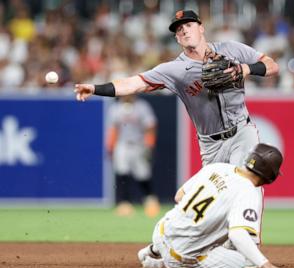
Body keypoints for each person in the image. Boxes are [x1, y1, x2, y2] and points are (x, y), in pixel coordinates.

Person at [74, 10, 279, 168]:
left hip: (242, 131)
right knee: (214, 206)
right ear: (177, 39)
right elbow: (133, 83)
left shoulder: (231, 49)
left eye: (188, 25)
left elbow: (272, 66)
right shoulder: (175, 70)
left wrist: (246, 69)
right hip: (210, 145)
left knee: (240, 186)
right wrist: (94, 88)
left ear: (201, 28)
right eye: (179, 30)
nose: (184, 30)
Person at [137, 143, 290, 268]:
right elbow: (237, 234)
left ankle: (153, 249)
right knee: (238, 262)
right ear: (270, 175)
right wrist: (265, 265)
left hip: (161, 231)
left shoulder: (217, 167)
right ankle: (161, 264)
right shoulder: (248, 192)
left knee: (183, 219)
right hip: (180, 256)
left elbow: (179, 196)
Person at [106, 94, 160, 217]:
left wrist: (150, 144)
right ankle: (124, 203)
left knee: (143, 174)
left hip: (139, 144)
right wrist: (110, 146)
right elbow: (113, 128)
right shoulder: (115, 108)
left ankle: (150, 201)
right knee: (122, 173)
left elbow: (150, 126)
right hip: (122, 144)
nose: (127, 95)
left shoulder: (142, 106)